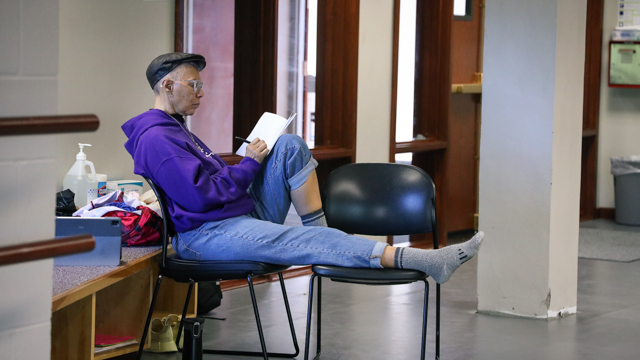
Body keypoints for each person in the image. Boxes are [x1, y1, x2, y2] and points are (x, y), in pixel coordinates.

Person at [122, 52, 483, 284]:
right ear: (167, 85)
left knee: (289, 145)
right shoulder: (158, 138)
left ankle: (325, 236)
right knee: (302, 239)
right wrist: (248, 164)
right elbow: (201, 198)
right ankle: (422, 259)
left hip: (231, 217)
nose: (201, 92)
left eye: (202, 84)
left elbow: (208, 183)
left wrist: (248, 162)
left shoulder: (174, 128)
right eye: (194, 84)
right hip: (205, 236)